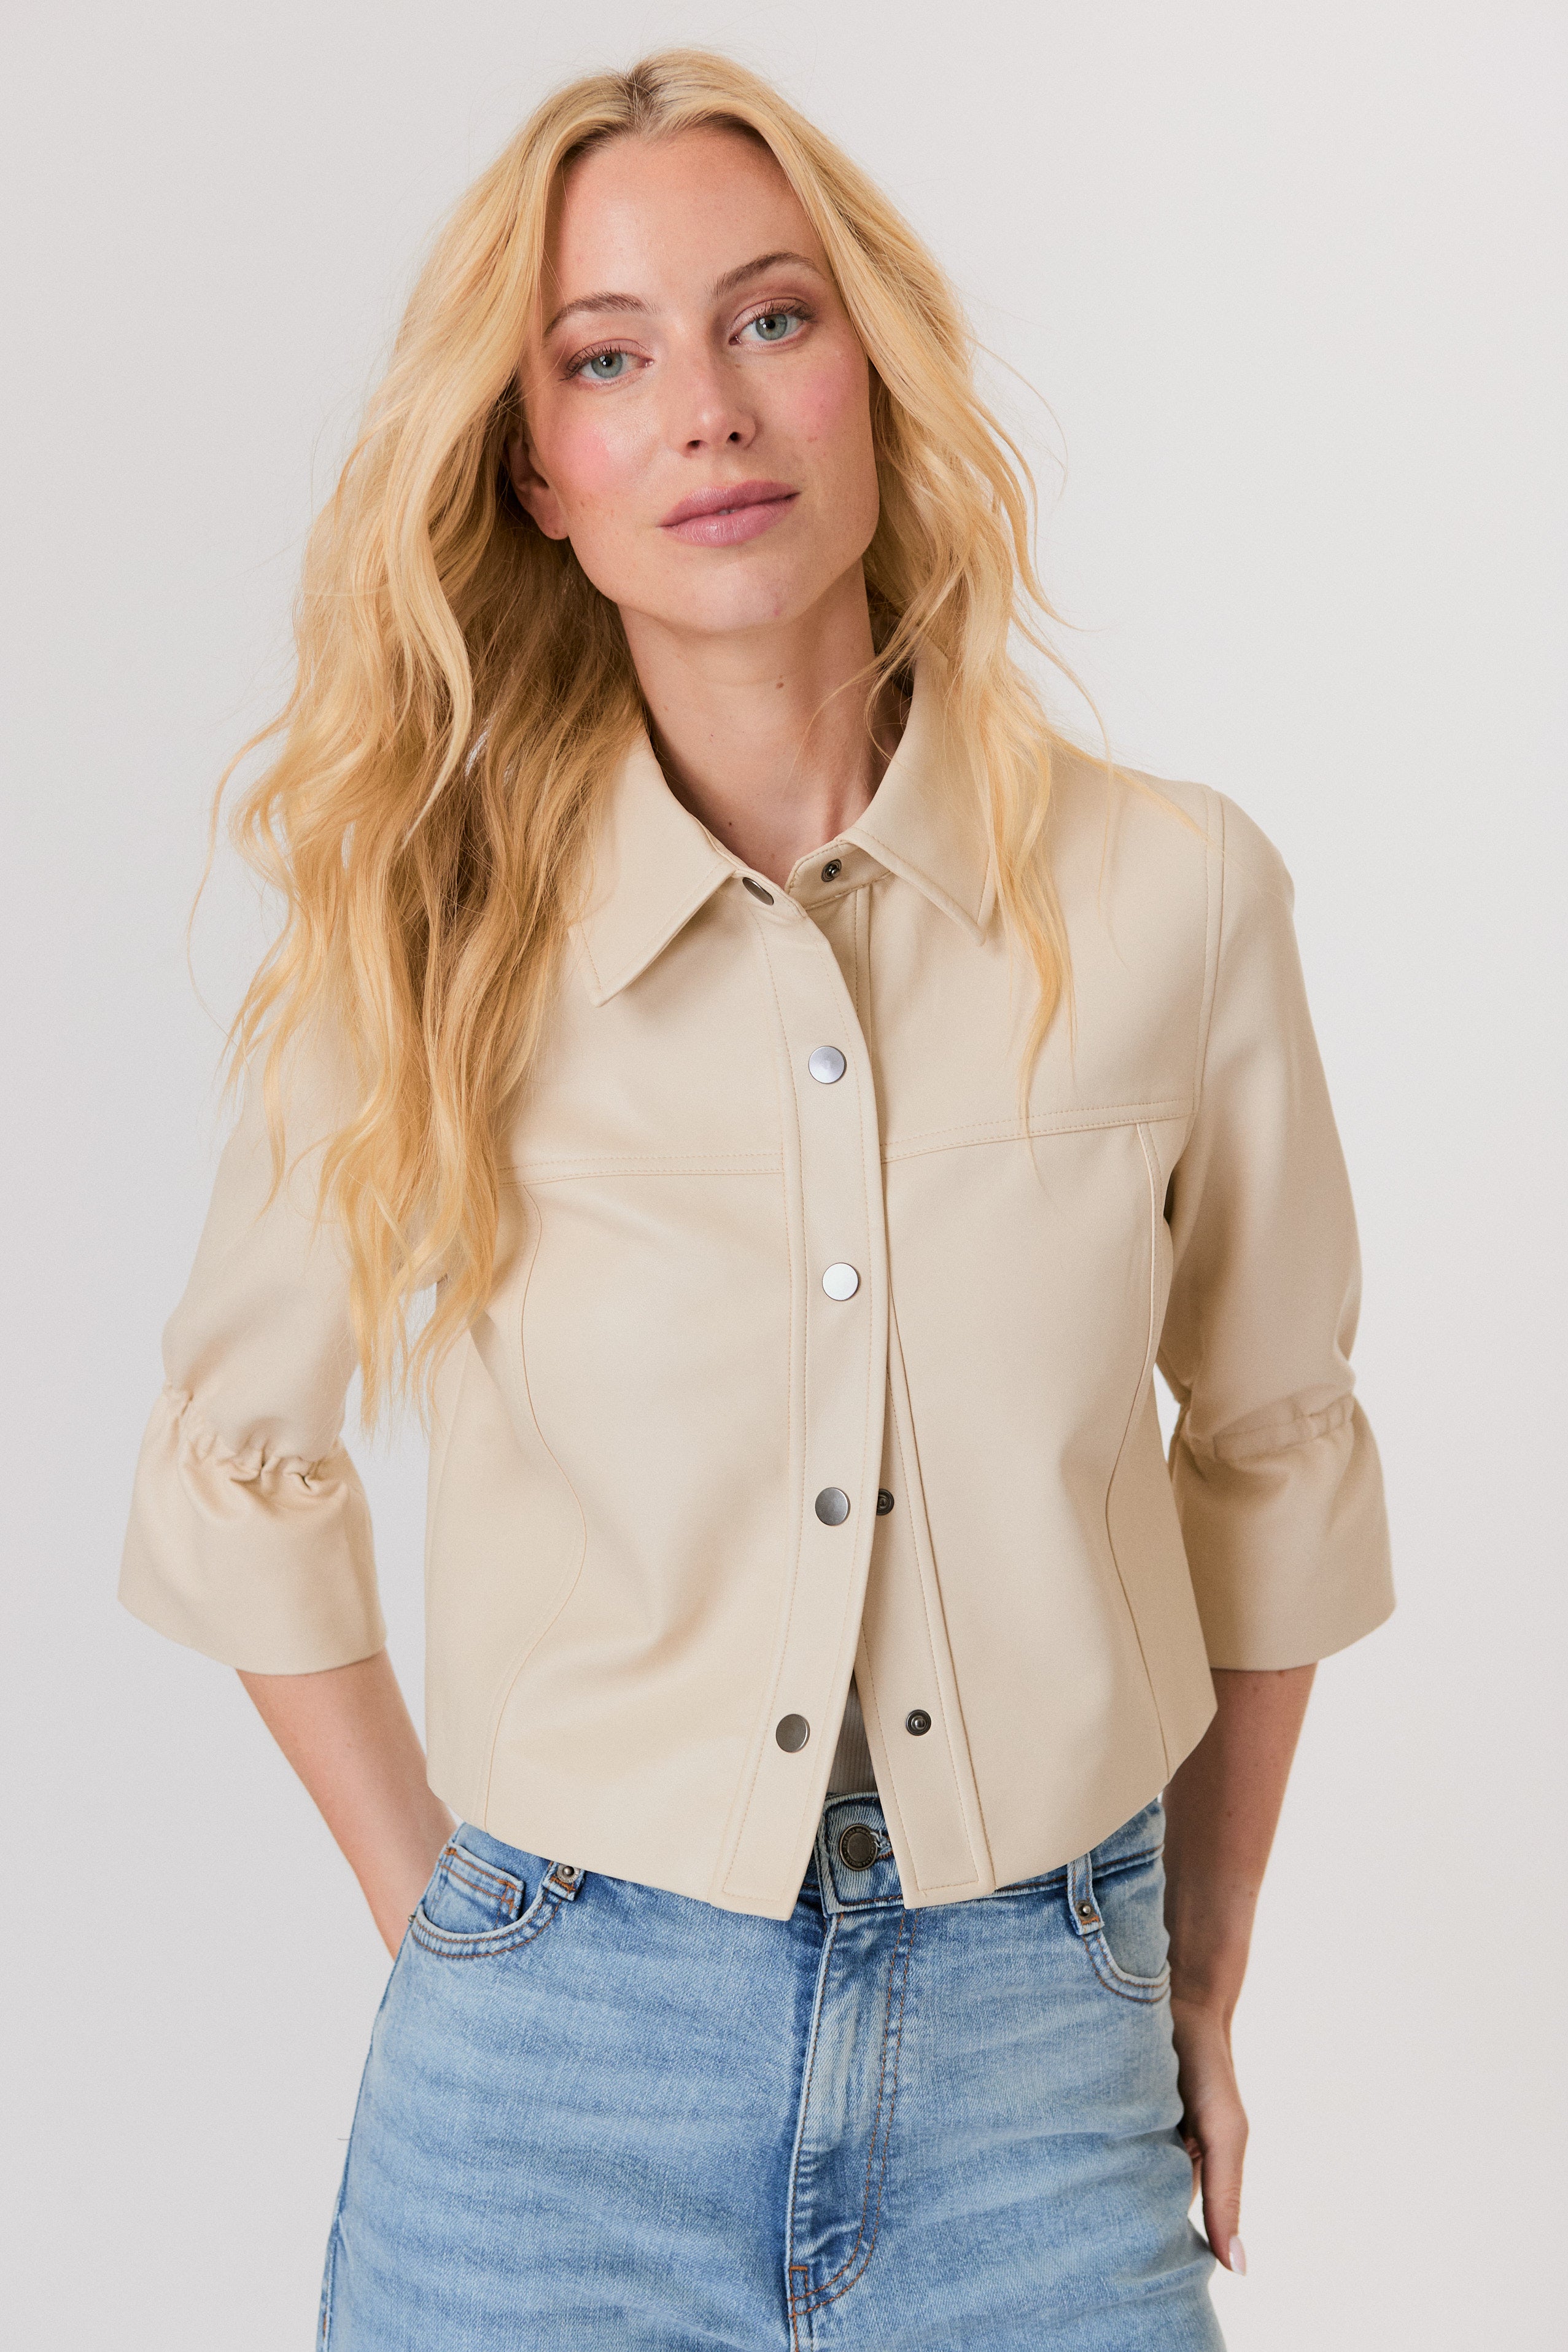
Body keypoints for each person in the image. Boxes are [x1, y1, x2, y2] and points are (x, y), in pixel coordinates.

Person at [120, 49, 1394, 2352]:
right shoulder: (426, 931)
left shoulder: (1171, 896)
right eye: (607, 358)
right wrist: (457, 1937)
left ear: (875, 379)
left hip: (1043, 2049)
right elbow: (240, 1462)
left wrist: (1195, 1977)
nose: (702, 407)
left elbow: (1274, 1438)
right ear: (541, 474)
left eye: (768, 320)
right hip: (551, 2064)